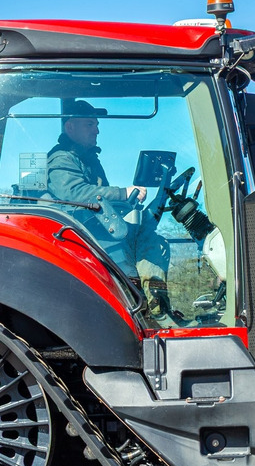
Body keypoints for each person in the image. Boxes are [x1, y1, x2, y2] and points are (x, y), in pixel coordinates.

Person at [45, 100, 185, 326]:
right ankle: (145, 313)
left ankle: (156, 307)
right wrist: (123, 193)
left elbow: (98, 197)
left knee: (150, 236)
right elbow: (73, 193)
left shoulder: (88, 157)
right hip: (83, 234)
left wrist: (126, 202)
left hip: (94, 228)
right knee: (139, 248)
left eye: (97, 124)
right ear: (70, 127)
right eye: (90, 124)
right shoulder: (63, 157)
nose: (97, 129)